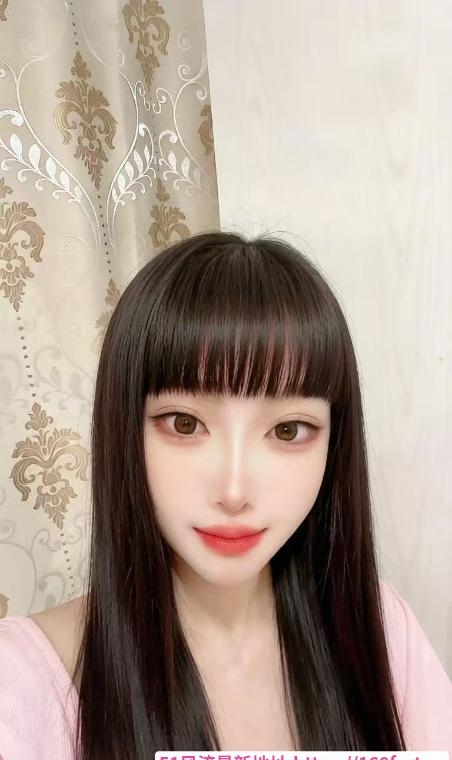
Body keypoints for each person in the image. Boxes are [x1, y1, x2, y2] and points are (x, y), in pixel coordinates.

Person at [0, 230, 451, 759]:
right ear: (123, 429)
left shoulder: (381, 628)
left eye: (287, 430)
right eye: (185, 424)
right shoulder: (24, 682)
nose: (234, 491)